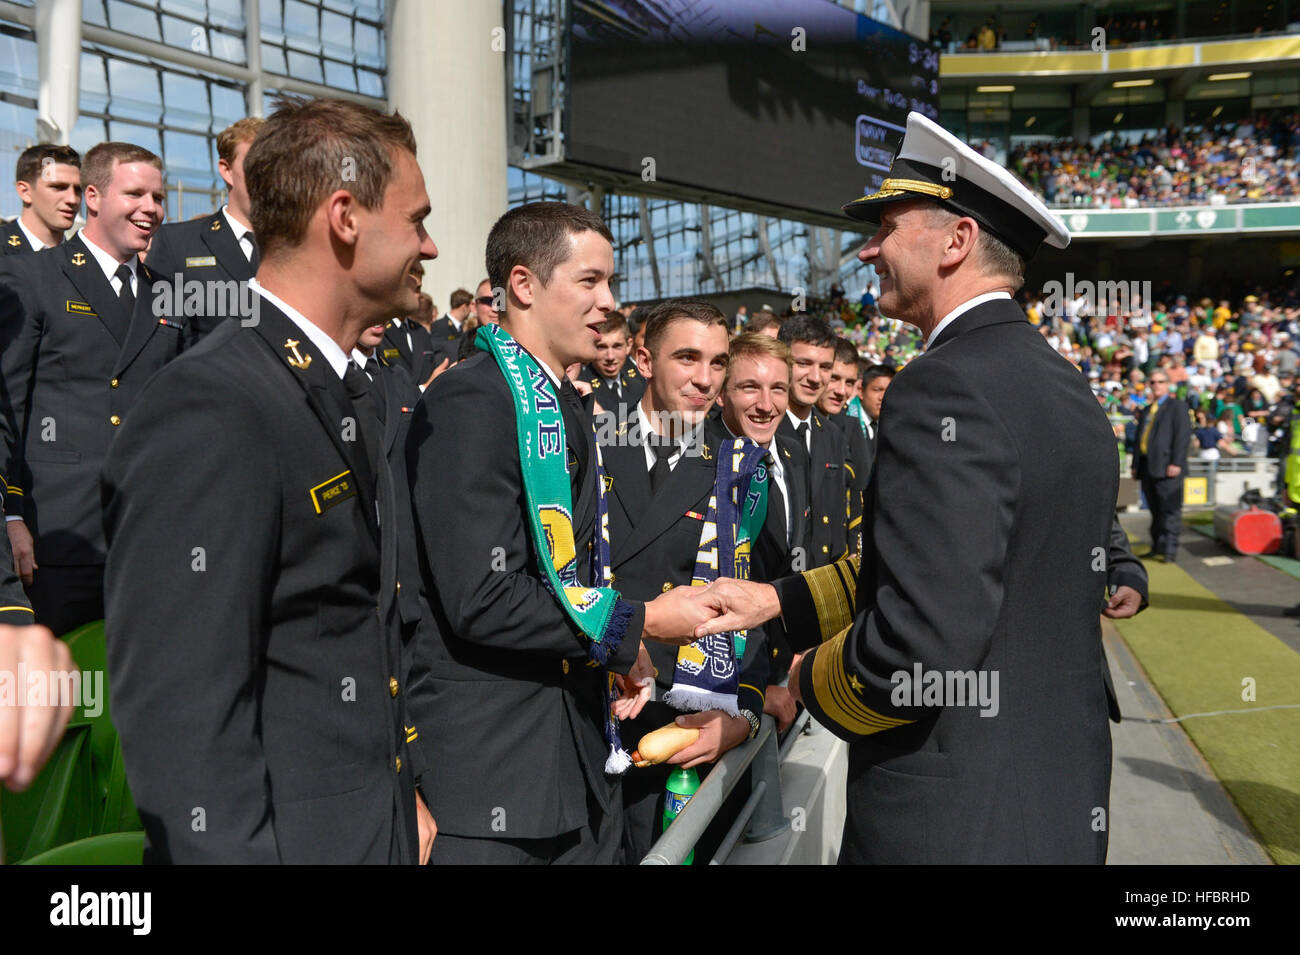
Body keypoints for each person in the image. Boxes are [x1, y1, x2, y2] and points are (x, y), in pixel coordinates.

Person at [696, 111, 1118, 864]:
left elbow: (919, 643)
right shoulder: (1064, 384)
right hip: (1051, 804)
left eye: (887, 227)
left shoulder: (942, 387)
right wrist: (778, 601)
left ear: (956, 242)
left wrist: (808, 676)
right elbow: (948, 566)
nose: (868, 248)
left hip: (951, 822)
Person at [102, 97, 436, 864]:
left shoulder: (347, 385)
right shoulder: (211, 404)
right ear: (345, 216)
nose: (431, 243)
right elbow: (185, 723)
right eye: (416, 219)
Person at [405, 201, 714, 864]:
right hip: (494, 784)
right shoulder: (473, 399)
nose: (608, 303)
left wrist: (612, 648)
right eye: (590, 282)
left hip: (571, 765)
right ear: (522, 285)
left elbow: (565, 577)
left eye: (611, 283)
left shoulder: (560, 402)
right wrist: (643, 622)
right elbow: (481, 595)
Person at [599, 300, 767, 862]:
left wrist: (742, 711)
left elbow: (751, 603)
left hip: (681, 722)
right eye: (687, 358)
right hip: (582, 707)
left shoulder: (738, 465)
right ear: (643, 359)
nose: (704, 379)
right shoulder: (584, 437)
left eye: (718, 363)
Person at [0, 142, 181, 638]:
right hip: (56, 537)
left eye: (158, 198)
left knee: (130, 703)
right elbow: (8, 409)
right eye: (136, 194)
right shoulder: (33, 278)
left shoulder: (169, 293)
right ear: (94, 198)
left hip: (145, 540)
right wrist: (10, 515)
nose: (151, 209)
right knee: (59, 699)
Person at [717, 332, 808, 734]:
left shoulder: (792, 455)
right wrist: (752, 689)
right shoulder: (697, 464)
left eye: (778, 389)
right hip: (726, 692)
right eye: (749, 388)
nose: (766, 405)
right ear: (721, 393)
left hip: (789, 678)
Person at [144, 118, 263, 342]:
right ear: (227, 171)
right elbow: (159, 341)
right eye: (256, 165)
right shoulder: (178, 243)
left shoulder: (300, 246)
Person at [1132, 370, 1192, 562]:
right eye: (1153, 381)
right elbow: (1139, 440)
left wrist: (1176, 462)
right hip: (1148, 466)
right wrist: (1135, 464)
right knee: (1155, 510)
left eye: (1160, 381)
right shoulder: (1147, 409)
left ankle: (1169, 550)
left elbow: (1182, 437)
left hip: (1168, 468)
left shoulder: (1177, 406)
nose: (1156, 384)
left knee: (1170, 510)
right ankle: (1157, 545)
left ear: (1167, 384)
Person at [2, 144, 81, 255]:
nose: (72, 199)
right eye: (58, 187)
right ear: (25, 192)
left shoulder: (84, 261)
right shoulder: (4, 253)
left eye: (78, 189)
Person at [581, 311, 644, 410]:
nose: (610, 357)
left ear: (628, 345)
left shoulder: (637, 385)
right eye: (601, 347)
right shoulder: (582, 393)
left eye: (617, 346)